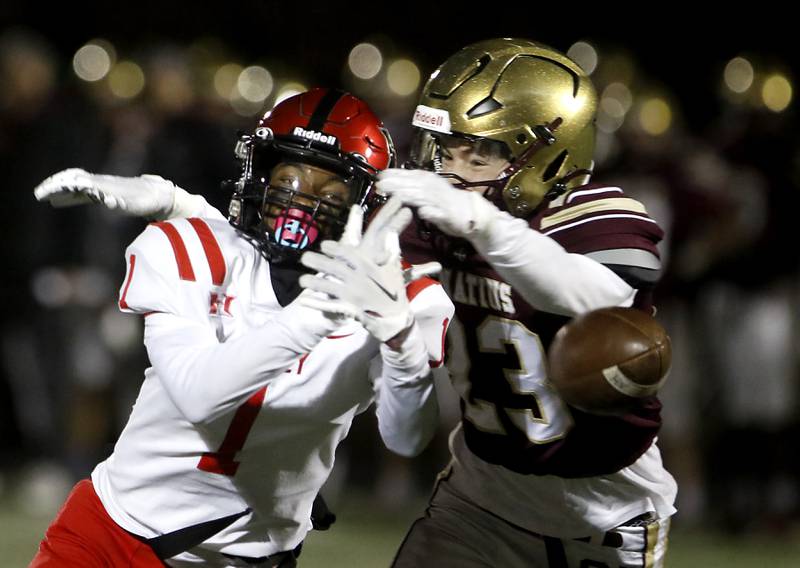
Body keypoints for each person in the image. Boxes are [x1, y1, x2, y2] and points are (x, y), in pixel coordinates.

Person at [30, 88, 453, 567]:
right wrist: (316, 314)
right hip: (114, 536)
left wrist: (401, 343)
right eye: (288, 178)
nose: (301, 203)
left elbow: (406, 437)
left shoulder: (393, 296)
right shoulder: (193, 247)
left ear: (364, 203)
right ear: (260, 176)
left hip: (253, 559)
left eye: (329, 192)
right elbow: (200, 395)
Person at [376, 38, 677, 567]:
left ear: (550, 153)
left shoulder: (597, 214)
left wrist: (482, 225)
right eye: (446, 150)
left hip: (603, 515)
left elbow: (589, 294)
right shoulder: (436, 221)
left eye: (481, 152)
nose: (452, 169)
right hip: (478, 500)